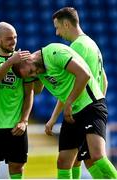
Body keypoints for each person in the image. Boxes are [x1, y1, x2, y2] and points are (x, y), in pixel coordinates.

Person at [10, 42, 117, 179]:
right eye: (31, 75)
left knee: (97, 157)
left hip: (90, 105)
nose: (35, 73)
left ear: (28, 58)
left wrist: (69, 103)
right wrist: (53, 118)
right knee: (63, 162)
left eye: (32, 71)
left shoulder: (54, 53)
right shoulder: (38, 70)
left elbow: (84, 75)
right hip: (73, 111)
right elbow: (38, 91)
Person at [45, 7, 108, 179]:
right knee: (81, 160)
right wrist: (97, 101)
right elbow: (105, 81)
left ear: (66, 24)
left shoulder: (77, 47)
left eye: (57, 27)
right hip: (89, 106)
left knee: (89, 158)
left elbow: (70, 87)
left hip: (82, 108)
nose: (57, 33)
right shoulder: (92, 44)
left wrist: (53, 118)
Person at [0, 22, 34, 179]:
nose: (14, 42)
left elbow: (30, 93)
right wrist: (10, 61)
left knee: (17, 167)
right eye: (9, 39)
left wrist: (24, 121)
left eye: (15, 37)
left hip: (16, 126)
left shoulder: (23, 61)